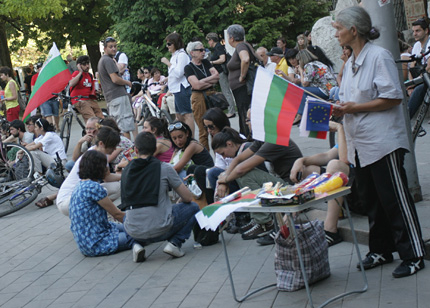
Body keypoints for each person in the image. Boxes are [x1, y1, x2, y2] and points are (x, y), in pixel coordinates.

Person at [333, 6, 425, 278]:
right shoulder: (350, 61)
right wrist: (342, 108)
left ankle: (414, 254)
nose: (336, 34)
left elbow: (394, 97)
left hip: (382, 142)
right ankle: (381, 249)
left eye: (339, 28)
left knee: (395, 200)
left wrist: (352, 108)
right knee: (372, 201)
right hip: (360, 144)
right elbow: (352, 99)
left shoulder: (379, 56)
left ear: (353, 30)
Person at [217, 109, 303, 244]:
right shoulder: (262, 138)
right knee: (239, 173)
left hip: (292, 187)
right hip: (281, 183)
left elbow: (242, 168)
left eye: (248, 120)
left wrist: (226, 179)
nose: (246, 123)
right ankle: (259, 219)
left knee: (245, 174)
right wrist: (224, 179)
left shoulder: (274, 139)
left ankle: (265, 222)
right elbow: (238, 159)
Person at [122, 132, 200, 259]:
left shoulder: (126, 171)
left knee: (127, 217)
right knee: (193, 207)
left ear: (136, 150)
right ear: (155, 150)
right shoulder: (164, 167)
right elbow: (188, 198)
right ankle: (175, 243)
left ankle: (135, 245)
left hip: (135, 231)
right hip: (162, 229)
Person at [69, 150, 145, 261]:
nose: (107, 168)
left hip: (88, 239)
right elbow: (117, 214)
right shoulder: (94, 188)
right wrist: (140, 224)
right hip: (97, 242)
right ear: (98, 168)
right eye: (105, 165)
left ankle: (135, 242)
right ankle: (136, 242)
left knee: (132, 229)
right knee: (143, 233)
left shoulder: (80, 185)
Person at [290, 121, 350, 246]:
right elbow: (326, 155)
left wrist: (340, 128)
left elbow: (344, 159)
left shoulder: (354, 132)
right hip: (342, 186)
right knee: (308, 170)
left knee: (335, 164)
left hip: (358, 189)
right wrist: (301, 161)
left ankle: (330, 230)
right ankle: (287, 226)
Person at [57, 126, 122, 217]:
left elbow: (107, 177)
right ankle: (99, 214)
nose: (115, 149)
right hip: (67, 201)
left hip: (77, 196)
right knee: (101, 191)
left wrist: (125, 175)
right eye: (112, 146)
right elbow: (105, 179)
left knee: (116, 187)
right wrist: (117, 214)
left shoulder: (100, 153)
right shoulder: (94, 156)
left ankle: (97, 215)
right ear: (101, 143)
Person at [226, 24, 262, 137]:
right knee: (246, 113)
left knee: (245, 114)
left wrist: (242, 75)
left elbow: (245, 59)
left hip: (242, 88)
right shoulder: (247, 45)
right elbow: (261, 59)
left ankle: (249, 139)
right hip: (243, 88)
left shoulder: (240, 46)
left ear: (231, 38)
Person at [97, 37, 135, 140]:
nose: (113, 49)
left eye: (115, 46)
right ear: (105, 48)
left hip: (111, 98)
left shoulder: (102, 60)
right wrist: (128, 82)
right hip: (117, 96)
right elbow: (115, 79)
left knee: (118, 128)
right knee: (124, 128)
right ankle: (129, 152)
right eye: (110, 47)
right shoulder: (107, 60)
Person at [184, 41, 219, 150]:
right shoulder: (188, 67)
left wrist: (201, 82)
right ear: (192, 53)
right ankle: (206, 158)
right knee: (203, 129)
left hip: (211, 94)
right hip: (198, 97)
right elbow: (196, 85)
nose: (203, 52)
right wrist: (209, 81)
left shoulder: (206, 63)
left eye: (204, 49)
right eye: (200, 50)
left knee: (216, 127)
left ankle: (220, 155)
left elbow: (217, 77)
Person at [161, 33, 195, 138]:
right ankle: (183, 136)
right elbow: (175, 73)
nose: (167, 46)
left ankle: (191, 138)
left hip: (182, 88)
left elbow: (180, 72)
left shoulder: (182, 55)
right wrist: (168, 78)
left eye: (169, 44)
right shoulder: (175, 55)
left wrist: (168, 64)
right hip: (176, 88)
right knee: (179, 115)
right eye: (167, 44)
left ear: (176, 44)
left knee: (186, 114)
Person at [294, 49, 338, 125]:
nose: (299, 63)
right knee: (299, 86)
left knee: (300, 89)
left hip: (326, 90)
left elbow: (305, 83)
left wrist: (301, 71)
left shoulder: (309, 66)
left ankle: (301, 114)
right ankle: (303, 113)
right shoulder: (317, 63)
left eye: (299, 61)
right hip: (330, 88)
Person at [206, 32, 237, 118]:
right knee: (225, 90)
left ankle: (231, 111)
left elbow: (222, 59)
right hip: (220, 72)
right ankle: (231, 109)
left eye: (208, 41)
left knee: (226, 91)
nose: (208, 43)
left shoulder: (218, 47)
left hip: (222, 72)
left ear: (211, 40)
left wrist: (211, 62)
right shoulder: (217, 47)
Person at [69, 55, 104, 123]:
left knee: (101, 117)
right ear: (79, 65)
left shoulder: (90, 75)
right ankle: (91, 129)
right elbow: (71, 84)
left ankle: (100, 130)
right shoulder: (76, 73)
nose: (87, 66)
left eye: (88, 63)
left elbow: (91, 90)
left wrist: (97, 92)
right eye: (84, 64)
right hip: (78, 100)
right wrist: (80, 72)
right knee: (92, 119)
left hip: (89, 99)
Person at [407, 18, 430, 118]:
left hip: (426, 78)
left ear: (426, 31)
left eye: (418, 31)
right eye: (413, 31)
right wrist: (410, 85)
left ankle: (407, 120)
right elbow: (412, 67)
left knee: (419, 89)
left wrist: (415, 84)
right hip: (421, 79)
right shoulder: (416, 45)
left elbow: (429, 67)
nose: (414, 34)